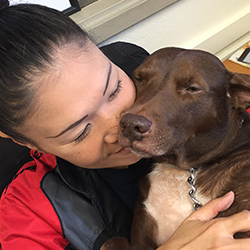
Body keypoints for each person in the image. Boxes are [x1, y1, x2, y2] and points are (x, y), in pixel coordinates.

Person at [0, 1, 250, 250]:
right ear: (24, 141)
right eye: (80, 130)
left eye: (115, 89)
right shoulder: (26, 216)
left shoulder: (145, 71)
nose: (121, 122)